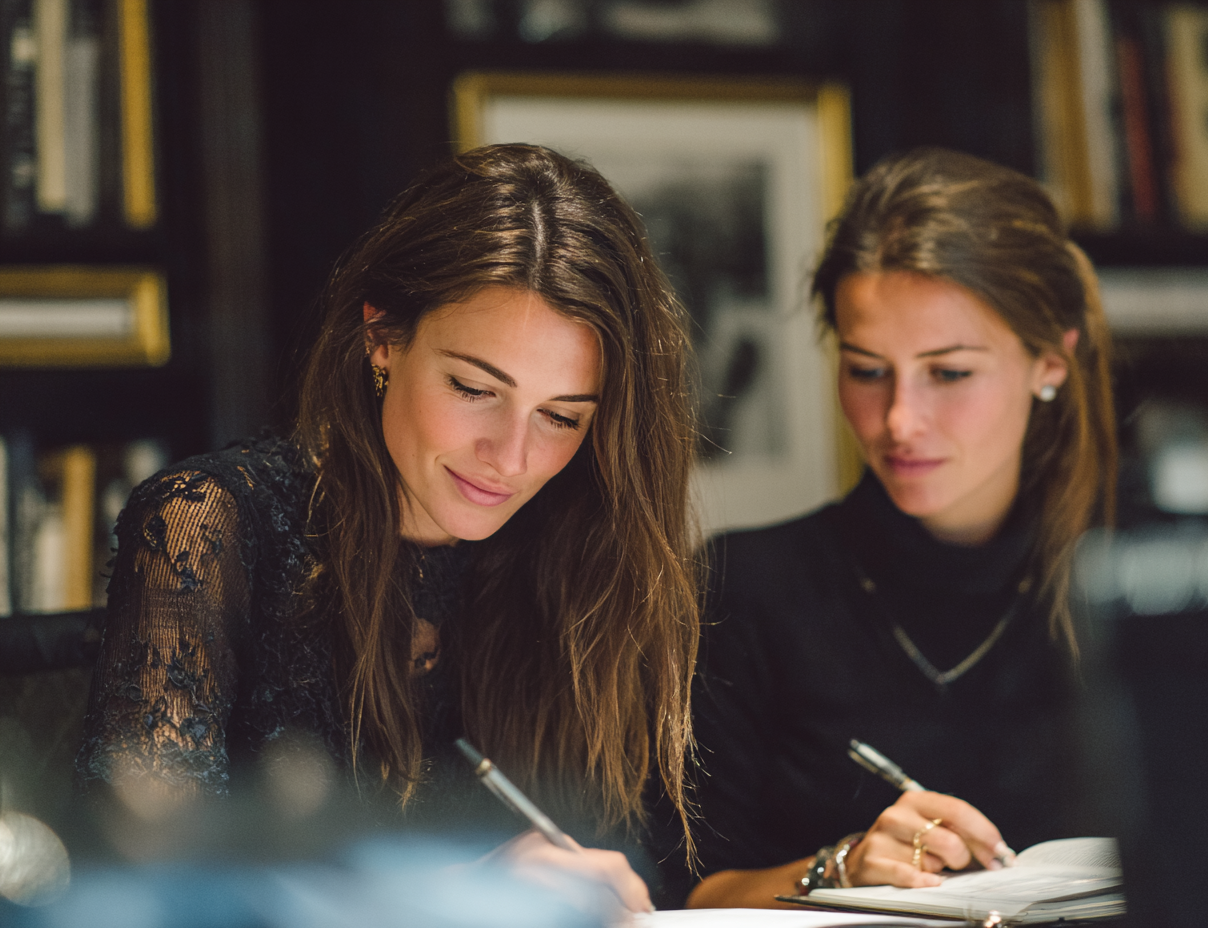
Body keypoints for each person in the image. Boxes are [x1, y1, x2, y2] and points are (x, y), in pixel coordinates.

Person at [76, 144, 700, 913]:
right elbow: (138, 890)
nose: (510, 458)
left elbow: (632, 863)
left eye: (562, 416)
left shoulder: (582, 552)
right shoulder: (205, 526)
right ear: (381, 336)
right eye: (474, 388)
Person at [683, 147, 1117, 907]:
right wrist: (839, 867)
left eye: (949, 373)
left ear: (1050, 362)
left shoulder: (1131, 586)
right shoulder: (744, 588)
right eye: (865, 369)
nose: (899, 422)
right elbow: (681, 898)